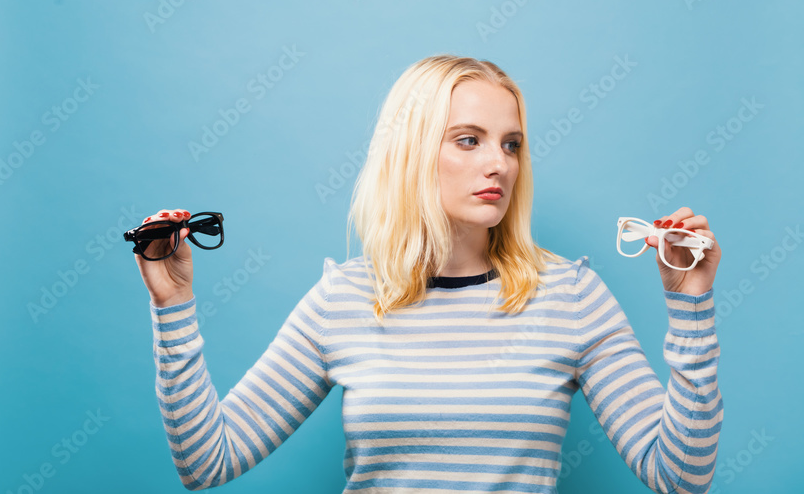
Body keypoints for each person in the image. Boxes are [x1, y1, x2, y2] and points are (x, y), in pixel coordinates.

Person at [135, 55, 723, 493]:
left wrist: (690, 305)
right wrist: (174, 306)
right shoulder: (343, 299)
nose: (498, 163)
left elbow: (681, 475)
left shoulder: (570, 296)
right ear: (412, 151)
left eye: (511, 144)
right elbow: (206, 462)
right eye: (469, 140)